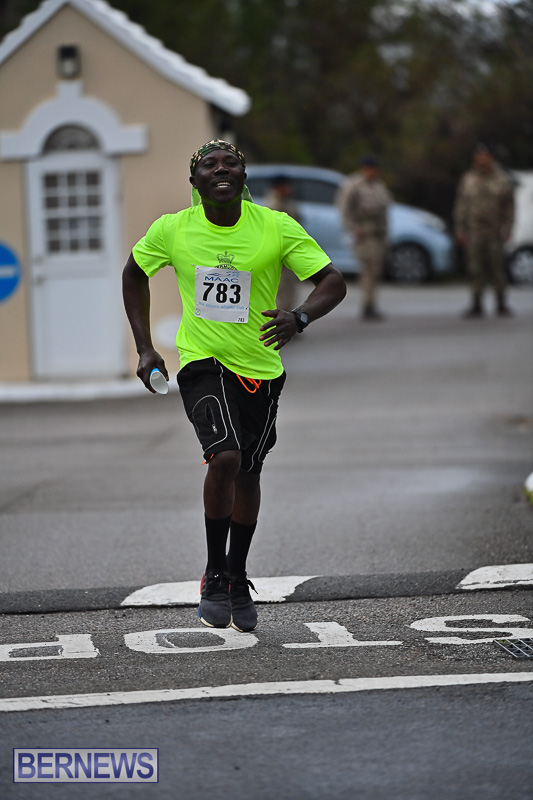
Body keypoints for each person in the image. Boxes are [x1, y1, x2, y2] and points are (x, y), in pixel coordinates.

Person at [122, 139, 346, 633]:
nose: (220, 169)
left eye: (231, 163)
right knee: (224, 457)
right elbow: (134, 274)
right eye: (209, 164)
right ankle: (214, 573)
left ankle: (238, 573)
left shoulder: (276, 226)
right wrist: (144, 347)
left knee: (248, 471)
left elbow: (333, 281)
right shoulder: (172, 229)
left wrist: (300, 317)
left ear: (244, 177)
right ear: (195, 181)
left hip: (261, 369)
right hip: (203, 362)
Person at [453, 143, 515, 317]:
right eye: (478, 156)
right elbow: (461, 205)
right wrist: (459, 228)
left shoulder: (501, 179)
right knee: (474, 269)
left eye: (484, 156)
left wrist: (508, 228)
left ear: (491, 157)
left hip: (494, 232)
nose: (481, 159)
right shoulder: (468, 178)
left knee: (497, 268)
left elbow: (509, 207)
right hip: (473, 231)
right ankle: (476, 304)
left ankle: (501, 303)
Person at [337, 154, 392, 320]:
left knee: (376, 270)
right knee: (368, 270)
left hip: (378, 233)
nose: (373, 172)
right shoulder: (354, 185)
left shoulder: (379, 185)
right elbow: (345, 210)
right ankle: (368, 304)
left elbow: (385, 209)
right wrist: (354, 228)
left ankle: (371, 302)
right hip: (364, 233)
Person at [263, 174, 302, 311]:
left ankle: (287, 317)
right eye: (285, 186)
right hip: (281, 250)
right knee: (282, 289)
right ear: (278, 187)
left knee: (289, 288)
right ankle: (281, 320)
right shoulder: (274, 204)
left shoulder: (286, 201)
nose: (289, 189)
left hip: (289, 249)